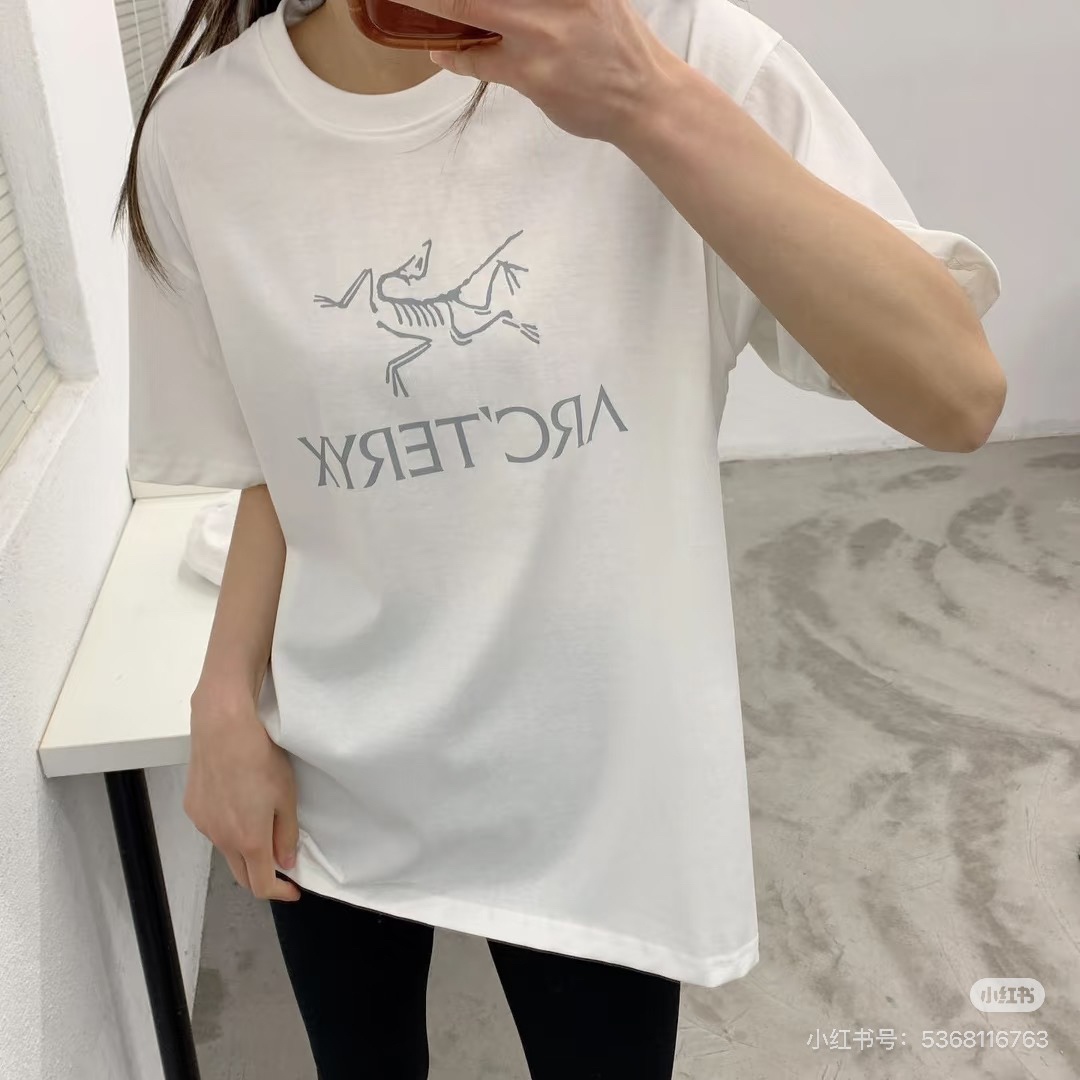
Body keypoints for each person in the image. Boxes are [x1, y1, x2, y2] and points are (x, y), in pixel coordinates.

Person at [119, 0, 1005, 1075]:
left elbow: (956, 395)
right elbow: (285, 457)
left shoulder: (681, 48)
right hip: (331, 775)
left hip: (598, 802)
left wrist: (642, 100)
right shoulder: (201, 137)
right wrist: (222, 698)